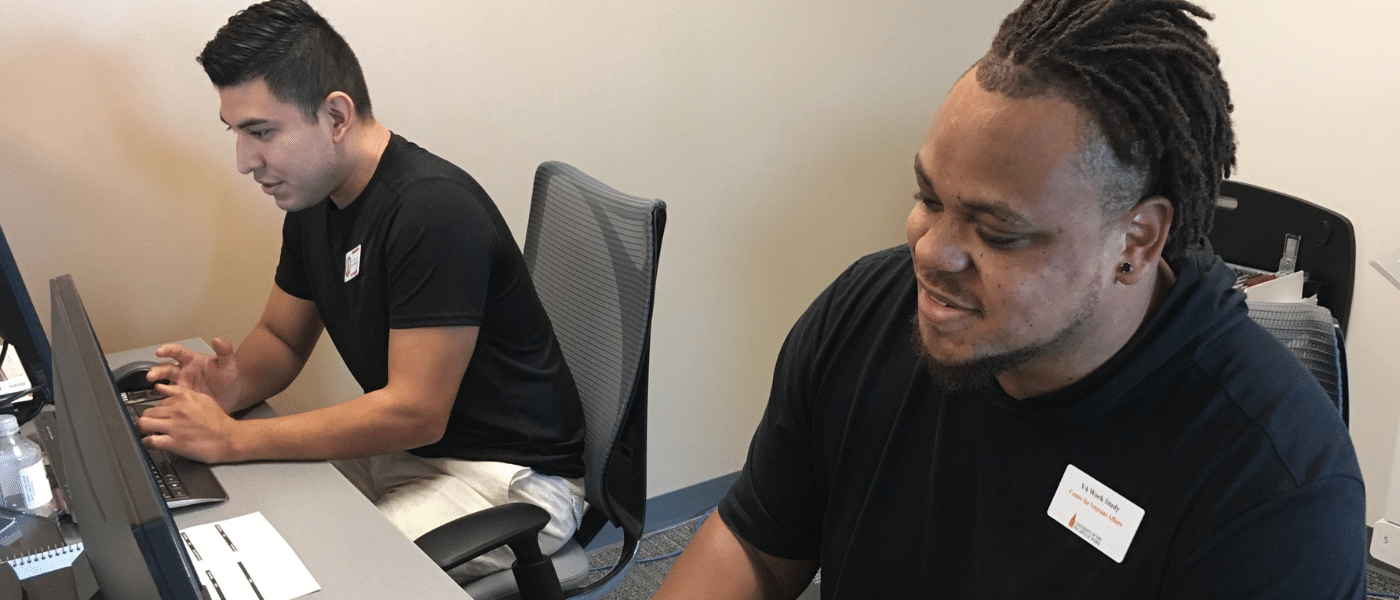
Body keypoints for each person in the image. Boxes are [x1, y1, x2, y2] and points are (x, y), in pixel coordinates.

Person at [655, 0, 1365, 598]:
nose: (930, 252)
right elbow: (755, 544)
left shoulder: (1274, 489)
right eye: (928, 197)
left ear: (1137, 241)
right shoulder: (866, 311)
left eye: (997, 233)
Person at [135, 0, 586, 580]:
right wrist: (234, 386)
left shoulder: (432, 211)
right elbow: (282, 337)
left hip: (508, 484)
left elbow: (417, 412)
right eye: (236, 133)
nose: (245, 161)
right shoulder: (313, 200)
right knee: (238, 522)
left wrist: (235, 439)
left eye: (261, 132)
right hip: (409, 453)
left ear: (336, 116)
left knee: (313, 577)